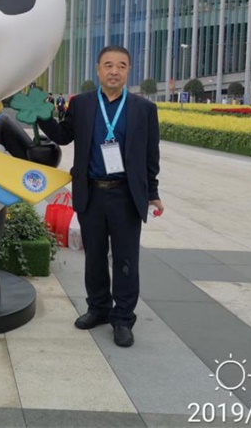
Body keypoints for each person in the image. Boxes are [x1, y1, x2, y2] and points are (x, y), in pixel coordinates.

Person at [38, 46, 164, 348]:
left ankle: (123, 319)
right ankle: (98, 308)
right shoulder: (81, 104)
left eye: (121, 65)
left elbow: (151, 155)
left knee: (125, 259)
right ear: (98, 69)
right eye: (108, 65)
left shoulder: (143, 109)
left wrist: (153, 192)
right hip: (91, 193)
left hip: (126, 196)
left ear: (128, 70)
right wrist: (41, 116)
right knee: (93, 256)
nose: (114, 71)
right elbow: (63, 135)